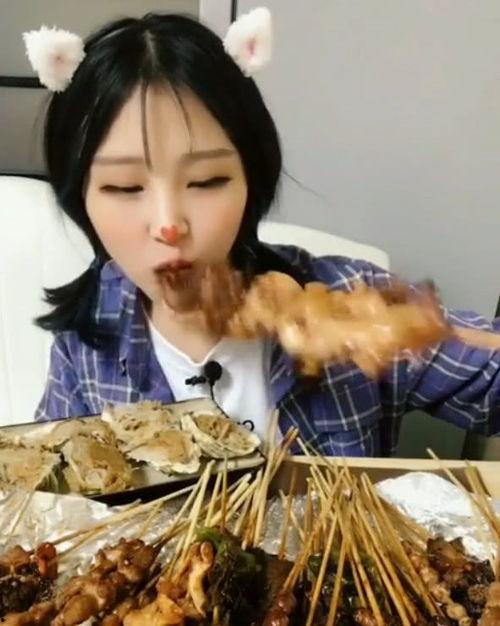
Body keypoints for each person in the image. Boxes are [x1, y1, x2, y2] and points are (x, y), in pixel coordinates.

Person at [26, 10, 500, 456]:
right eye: (125, 187)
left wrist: (410, 329)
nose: (168, 225)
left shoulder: (351, 299)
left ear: (251, 180)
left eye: (206, 181)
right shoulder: (85, 342)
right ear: (80, 200)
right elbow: (47, 485)